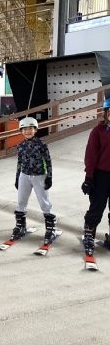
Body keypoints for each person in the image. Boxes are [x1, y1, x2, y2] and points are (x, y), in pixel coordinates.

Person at [11, 117, 55, 243]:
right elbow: (19, 162)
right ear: (21, 131)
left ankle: (50, 228)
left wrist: (49, 177)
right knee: (21, 201)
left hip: (39, 176)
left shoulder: (41, 144)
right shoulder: (20, 145)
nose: (27, 131)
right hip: (24, 176)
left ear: (35, 130)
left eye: (30, 129)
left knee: (44, 202)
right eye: (24, 129)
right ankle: (20, 226)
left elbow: (48, 161)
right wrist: (17, 177)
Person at [81, 98, 110, 256]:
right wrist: (89, 177)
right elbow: (91, 155)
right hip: (101, 176)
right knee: (97, 207)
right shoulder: (98, 131)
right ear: (106, 113)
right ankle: (89, 235)